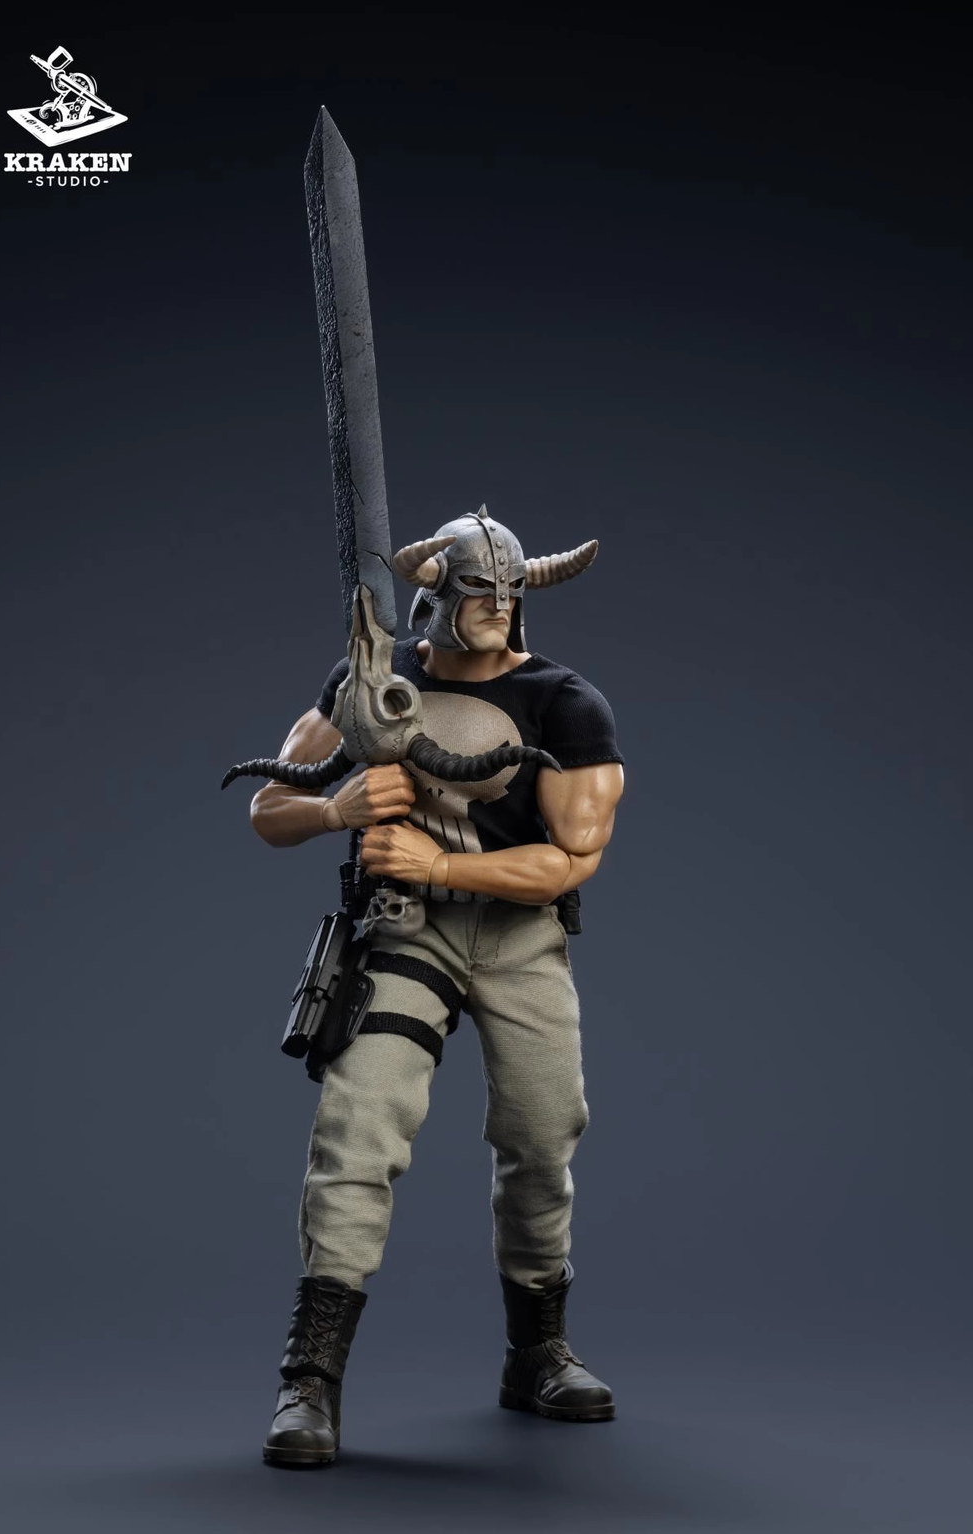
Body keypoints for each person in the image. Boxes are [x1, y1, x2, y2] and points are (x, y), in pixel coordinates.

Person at [249, 505, 624, 1466]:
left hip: (518, 940)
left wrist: (440, 862)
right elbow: (269, 806)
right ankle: (310, 1380)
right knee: (357, 1127)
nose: (496, 605)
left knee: (542, 1130)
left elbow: (573, 858)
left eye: (508, 591)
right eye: (475, 589)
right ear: (433, 597)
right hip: (404, 935)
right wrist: (336, 808)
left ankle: (537, 1352)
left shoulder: (564, 703)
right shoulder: (371, 683)